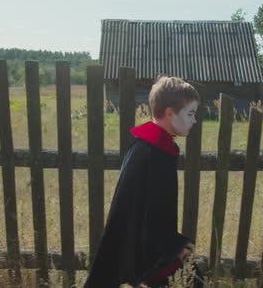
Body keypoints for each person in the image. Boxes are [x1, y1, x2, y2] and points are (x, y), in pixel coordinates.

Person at [84, 76, 204, 287]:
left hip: (150, 245)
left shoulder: (152, 147)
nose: (195, 120)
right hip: (146, 249)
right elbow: (145, 213)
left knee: (193, 275)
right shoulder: (152, 153)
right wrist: (173, 246)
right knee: (193, 279)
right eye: (190, 113)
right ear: (169, 113)